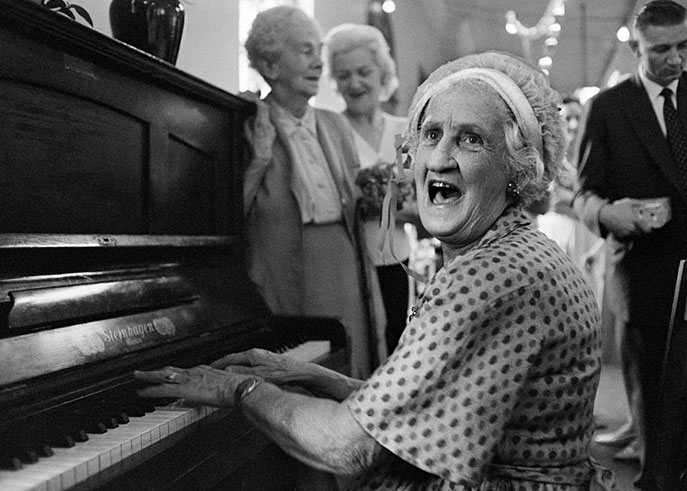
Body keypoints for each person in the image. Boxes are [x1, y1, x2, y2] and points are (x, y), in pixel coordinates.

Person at [134, 51, 616, 490]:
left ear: (516, 168)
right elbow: (423, 409)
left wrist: (240, 389)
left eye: (471, 139)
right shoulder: (512, 249)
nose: (439, 159)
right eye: (431, 135)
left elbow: (349, 446)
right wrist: (313, 376)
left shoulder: (491, 277)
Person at [574, 1, 687, 488]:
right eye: (661, 49)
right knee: (655, 418)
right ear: (636, 48)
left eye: (684, 46)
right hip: (645, 277)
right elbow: (585, 194)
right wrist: (608, 214)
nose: (675, 58)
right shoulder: (607, 108)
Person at [240, 6, 386, 379]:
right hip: (286, 269)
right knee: (303, 375)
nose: (318, 62)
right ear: (270, 65)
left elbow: (354, 202)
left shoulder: (335, 125)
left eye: (318, 51)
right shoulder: (248, 121)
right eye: (305, 51)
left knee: (353, 368)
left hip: (346, 266)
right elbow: (229, 216)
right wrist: (258, 160)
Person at [323, 23, 415, 355]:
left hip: (396, 261)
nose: (355, 83)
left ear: (382, 74)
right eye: (344, 75)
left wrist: (388, 204)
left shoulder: (403, 132)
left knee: (395, 345)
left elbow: (417, 202)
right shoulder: (331, 131)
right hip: (351, 266)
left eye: (364, 72)